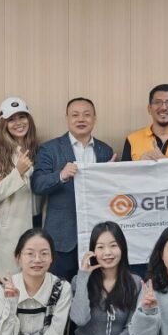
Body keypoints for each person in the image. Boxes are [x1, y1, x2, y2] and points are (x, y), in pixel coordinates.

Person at [31, 97, 115, 282]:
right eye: (75, 115)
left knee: (95, 290)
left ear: (95, 118)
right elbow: (37, 184)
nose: (81, 119)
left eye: (86, 115)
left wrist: (110, 176)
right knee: (59, 291)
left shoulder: (105, 151)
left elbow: (113, 192)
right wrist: (61, 175)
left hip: (97, 237)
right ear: (67, 118)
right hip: (62, 237)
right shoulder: (50, 149)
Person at [0, 97, 40, 280]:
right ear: (4, 124)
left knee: (32, 288)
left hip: (36, 229)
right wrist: (17, 173)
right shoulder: (0, 153)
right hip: (9, 233)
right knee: (9, 289)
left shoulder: (39, 150)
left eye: (22, 116)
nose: (18, 123)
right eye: (11, 119)